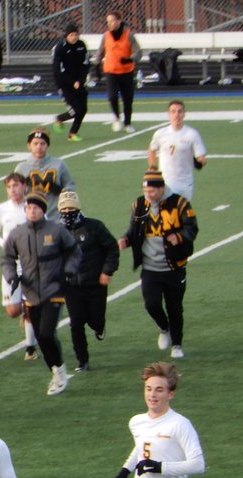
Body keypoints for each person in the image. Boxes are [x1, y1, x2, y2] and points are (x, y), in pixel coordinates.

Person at [0, 191, 80, 395]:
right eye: (29, 208)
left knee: (46, 333)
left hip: (53, 290)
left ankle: (59, 371)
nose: (32, 211)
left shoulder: (57, 230)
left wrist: (69, 271)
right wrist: (11, 276)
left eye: (36, 208)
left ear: (43, 210)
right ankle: (56, 370)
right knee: (40, 336)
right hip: (30, 293)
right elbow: (7, 257)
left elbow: (74, 252)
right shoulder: (17, 233)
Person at [119, 170, 198, 360]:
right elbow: (134, 229)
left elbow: (191, 227)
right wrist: (126, 240)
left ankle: (177, 344)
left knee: (174, 307)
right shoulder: (139, 204)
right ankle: (164, 328)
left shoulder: (180, 203)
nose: (149, 195)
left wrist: (178, 237)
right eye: (146, 191)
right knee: (151, 304)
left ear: (162, 189)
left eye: (152, 191)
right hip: (150, 266)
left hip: (173, 265)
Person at [58, 190, 119, 372]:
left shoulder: (94, 227)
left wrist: (107, 271)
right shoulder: (55, 232)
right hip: (71, 287)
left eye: (71, 207)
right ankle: (82, 360)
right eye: (64, 208)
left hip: (95, 283)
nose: (68, 211)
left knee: (96, 320)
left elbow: (112, 248)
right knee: (76, 323)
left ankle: (99, 328)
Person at [0, 172, 37, 361]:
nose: (13, 190)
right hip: (10, 264)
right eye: (9, 186)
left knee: (30, 306)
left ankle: (30, 348)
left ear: (24, 186)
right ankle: (25, 314)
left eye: (16, 185)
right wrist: (5, 243)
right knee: (13, 311)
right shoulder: (1, 209)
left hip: (31, 263)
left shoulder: (32, 206)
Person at [147, 100, 208, 199]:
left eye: (180, 111)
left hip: (185, 183)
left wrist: (199, 163)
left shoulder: (192, 134)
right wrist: (152, 167)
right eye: (173, 111)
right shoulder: (160, 133)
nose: (177, 115)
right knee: (166, 213)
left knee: (183, 213)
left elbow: (202, 157)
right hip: (166, 182)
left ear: (184, 114)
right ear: (169, 114)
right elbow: (152, 150)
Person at [93, 11, 141, 133]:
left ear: (119, 21)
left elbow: (138, 52)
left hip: (126, 71)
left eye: (113, 21)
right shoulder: (106, 36)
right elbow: (100, 51)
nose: (110, 24)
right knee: (112, 96)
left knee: (128, 99)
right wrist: (96, 65)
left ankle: (128, 123)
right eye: (108, 22)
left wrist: (130, 59)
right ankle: (116, 117)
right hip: (111, 71)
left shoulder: (128, 35)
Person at [14, 128, 76, 220]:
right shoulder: (22, 167)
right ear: (29, 145)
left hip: (56, 215)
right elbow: (15, 193)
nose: (39, 147)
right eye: (35, 143)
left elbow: (70, 186)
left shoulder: (59, 164)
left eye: (42, 143)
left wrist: (61, 191)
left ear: (47, 146)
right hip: (31, 216)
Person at [51, 23, 89, 142]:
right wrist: (72, 82)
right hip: (65, 84)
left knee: (83, 110)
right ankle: (60, 119)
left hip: (79, 82)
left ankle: (73, 133)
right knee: (76, 110)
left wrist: (81, 80)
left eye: (76, 34)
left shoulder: (81, 46)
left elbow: (86, 64)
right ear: (66, 36)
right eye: (71, 35)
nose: (74, 37)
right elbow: (57, 70)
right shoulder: (60, 48)